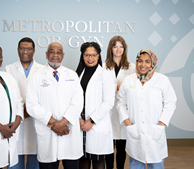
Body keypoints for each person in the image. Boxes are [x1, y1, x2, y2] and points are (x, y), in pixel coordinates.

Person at [26, 42, 84, 169]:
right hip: (48, 131)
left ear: (63, 55)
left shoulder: (72, 75)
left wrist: (63, 122)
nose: (55, 55)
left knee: (72, 164)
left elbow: (78, 102)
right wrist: (54, 123)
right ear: (46, 55)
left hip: (68, 129)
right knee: (48, 164)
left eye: (59, 52)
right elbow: (31, 105)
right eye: (52, 52)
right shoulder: (36, 77)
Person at [117, 49, 177, 169]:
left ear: (153, 63)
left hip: (155, 130)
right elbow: (120, 103)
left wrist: (161, 124)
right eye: (140, 61)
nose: (143, 65)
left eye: (147, 61)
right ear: (136, 62)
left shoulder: (162, 80)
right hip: (135, 130)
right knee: (135, 163)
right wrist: (128, 124)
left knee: (156, 164)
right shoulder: (129, 80)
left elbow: (170, 102)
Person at [4, 37, 43, 169]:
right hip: (16, 119)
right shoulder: (8, 69)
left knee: (36, 158)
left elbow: (46, 95)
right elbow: (6, 95)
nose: (25, 51)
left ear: (34, 50)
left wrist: (31, 109)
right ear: (18, 50)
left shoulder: (43, 70)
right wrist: (21, 110)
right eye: (22, 48)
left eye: (28, 48)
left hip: (36, 119)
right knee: (15, 158)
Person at [75, 42, 115, 169]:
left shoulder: (105, 74)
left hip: (97, 123)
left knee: (98, 161)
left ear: (98, 56)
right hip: (80, 122)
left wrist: (91, 121)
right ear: (82, 56)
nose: (90, 58)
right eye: (86, 55)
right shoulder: (78, 74)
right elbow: (74, 98)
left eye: (93, 55)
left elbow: (108, 101)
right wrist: (79, 119)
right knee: (83, 160)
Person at [104, 36, 135, 169]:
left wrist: (115, 86)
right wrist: (118, 86)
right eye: (115, 46)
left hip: (124, 110)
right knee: (108, 147)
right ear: (111, 48)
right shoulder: (103, 66)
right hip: (108, 111)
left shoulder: (132, 67)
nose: (118, 49)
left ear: (124, 48)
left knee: (122, 147)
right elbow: (101, 88)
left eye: (121, 46)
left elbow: (133, 87)